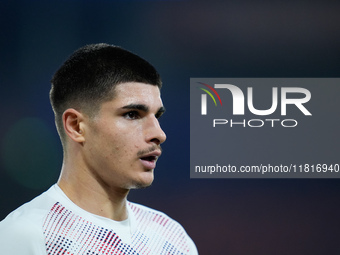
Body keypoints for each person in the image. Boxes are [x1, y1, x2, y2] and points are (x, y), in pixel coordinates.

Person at [0, 43, 198, 254]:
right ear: (76, 126)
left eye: (156, 116)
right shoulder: (23, 237)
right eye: (132, 114)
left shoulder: (172, 238)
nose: (159, 134)